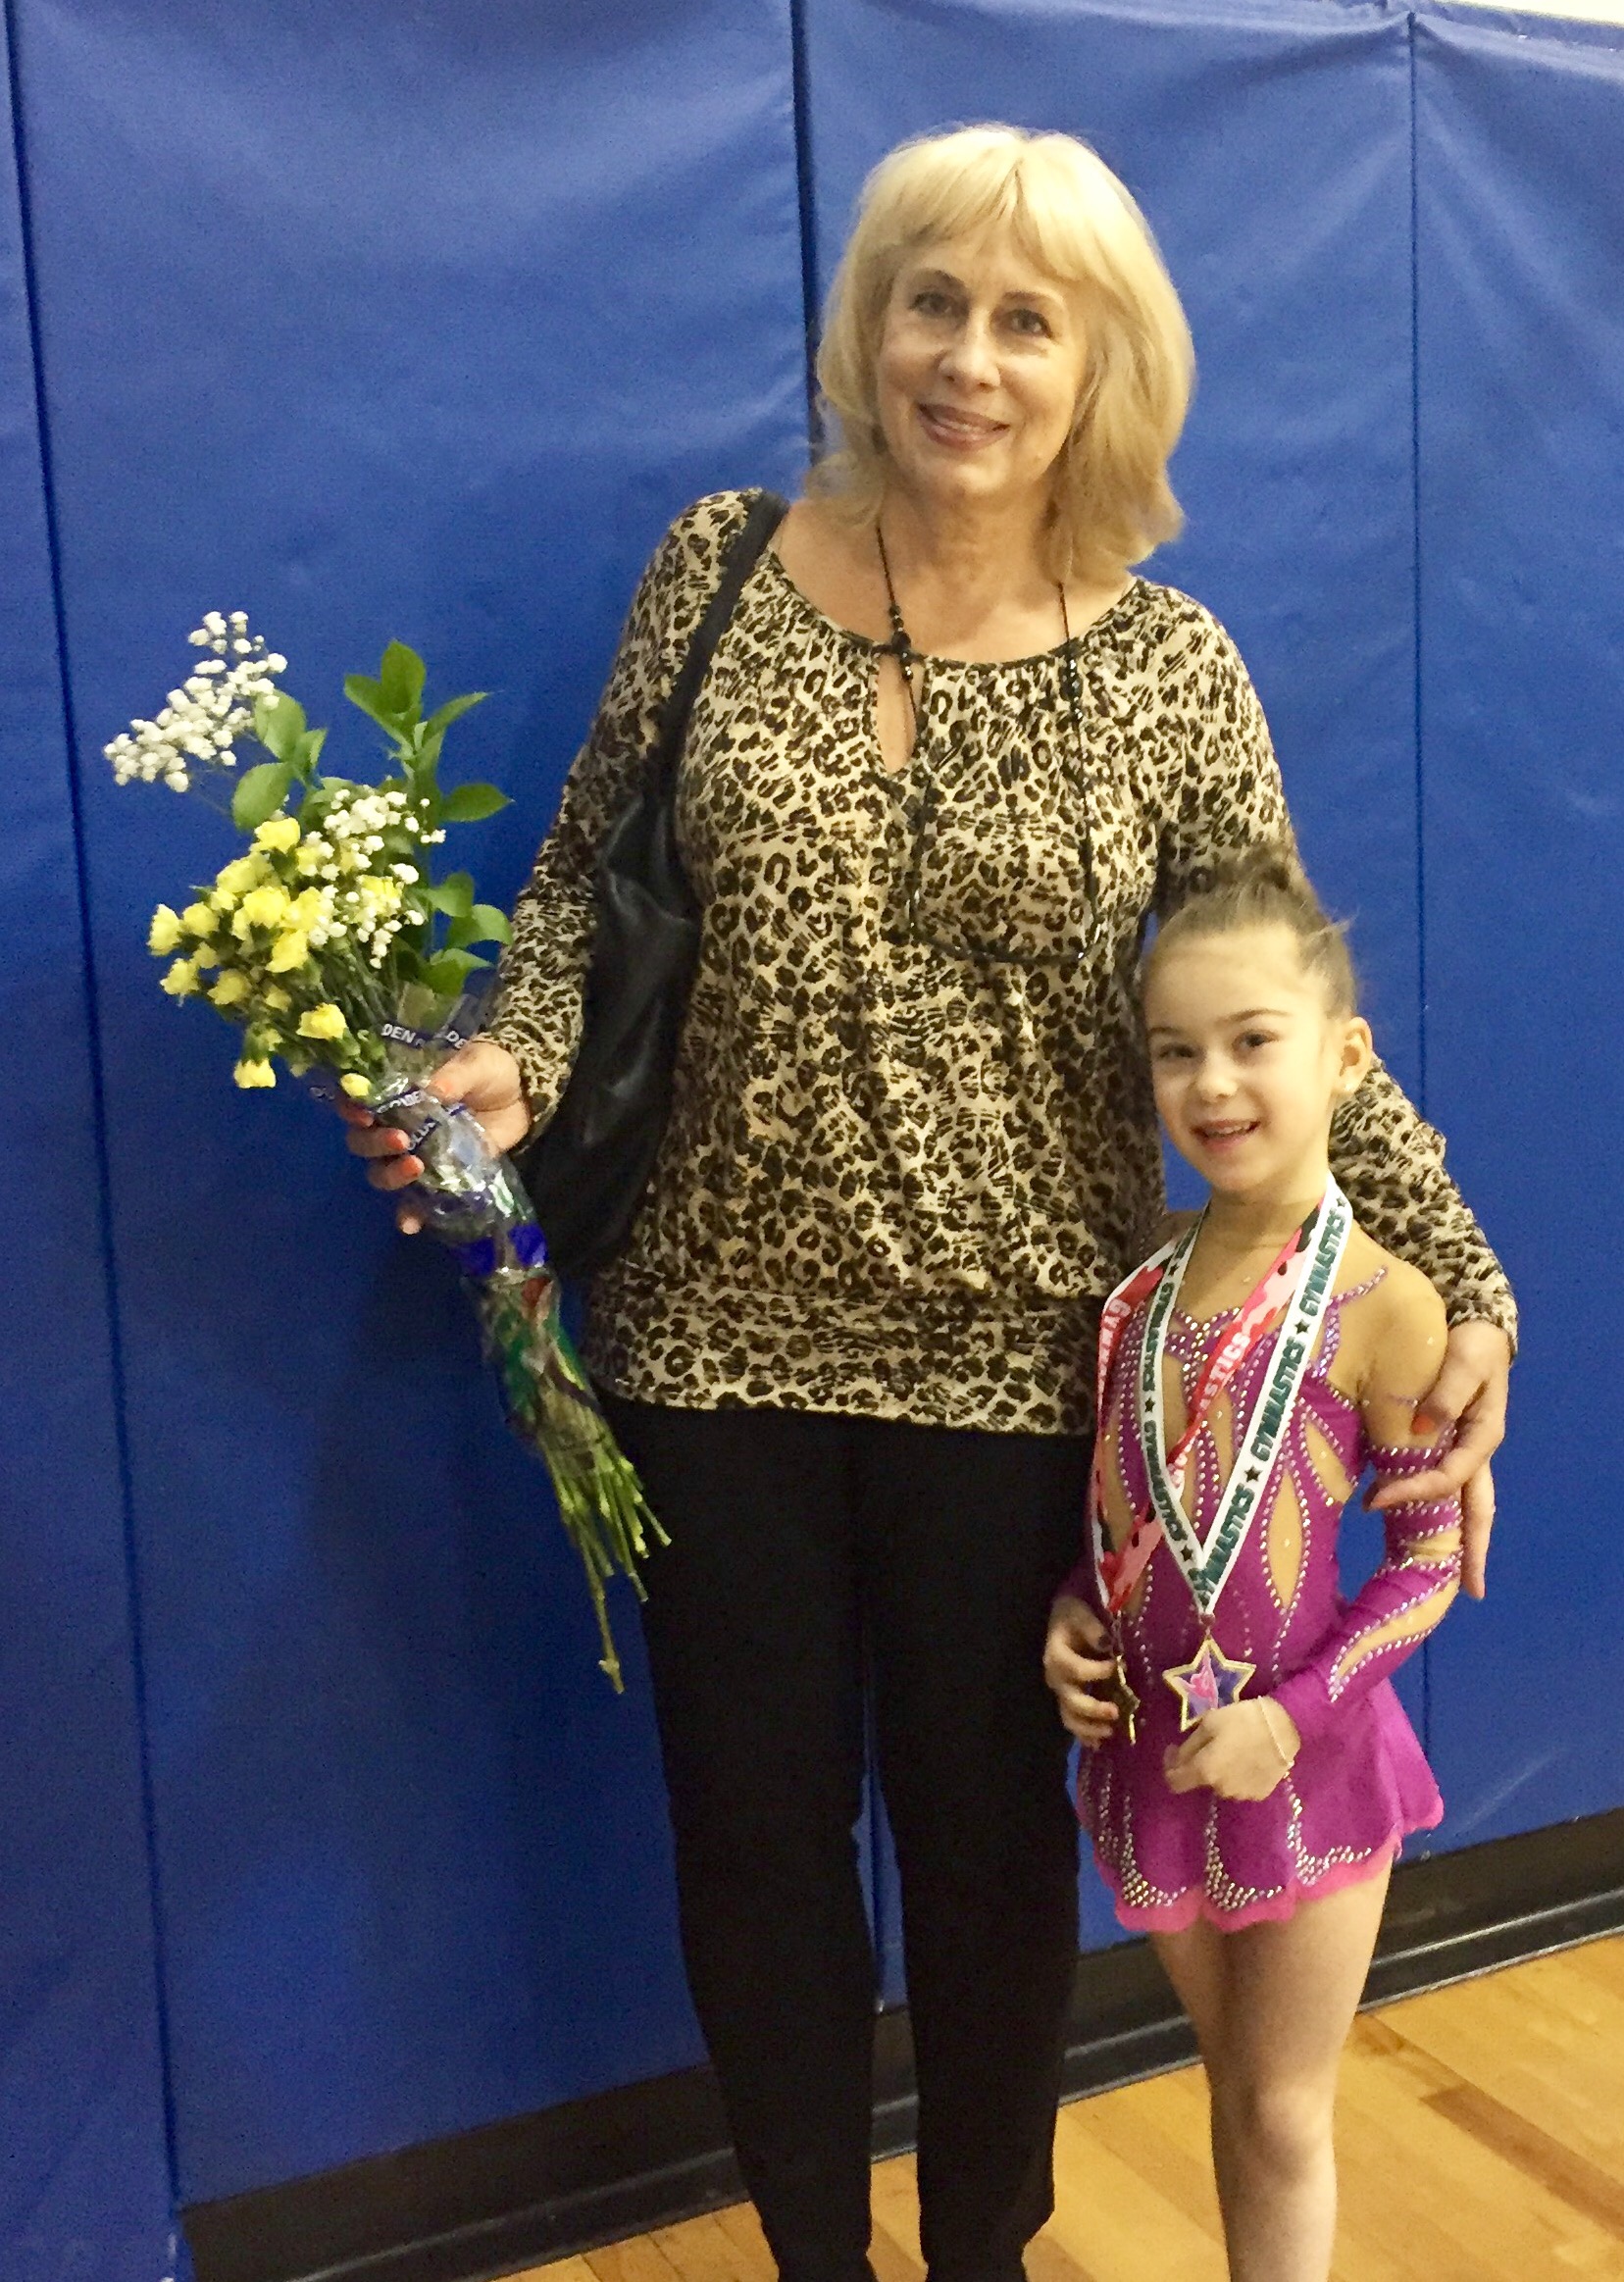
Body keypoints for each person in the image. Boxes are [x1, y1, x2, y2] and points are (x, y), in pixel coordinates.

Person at [344, 125, 1514, 2282]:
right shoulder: (716, 569)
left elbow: (1285, 1017)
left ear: (1100, 369)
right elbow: (584, 887)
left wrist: (1456, 1279)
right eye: (930, 302)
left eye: (1024, 321)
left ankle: (979, 2255)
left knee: (986, 1859)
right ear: (867, 325)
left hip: (1024, 1374)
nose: (966, 360)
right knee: (755, 1849)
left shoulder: (1166, 668)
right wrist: (509, 1054)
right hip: (708, 1347)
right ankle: (817, 2257)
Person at [1043, 847, 1462, 2282]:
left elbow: (1426, 1565)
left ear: (1344, 1056)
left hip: (1307, 1757)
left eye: (1251, 1042)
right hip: (1157, 1755)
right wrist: (1072, 1616)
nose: (1212, 1085)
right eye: (1176, 1052)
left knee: (1284, 2111)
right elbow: (1125, 1528)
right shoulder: (1136, 1298)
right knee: (1233, 2089)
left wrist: (1291, 1715)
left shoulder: (1386, 1304)